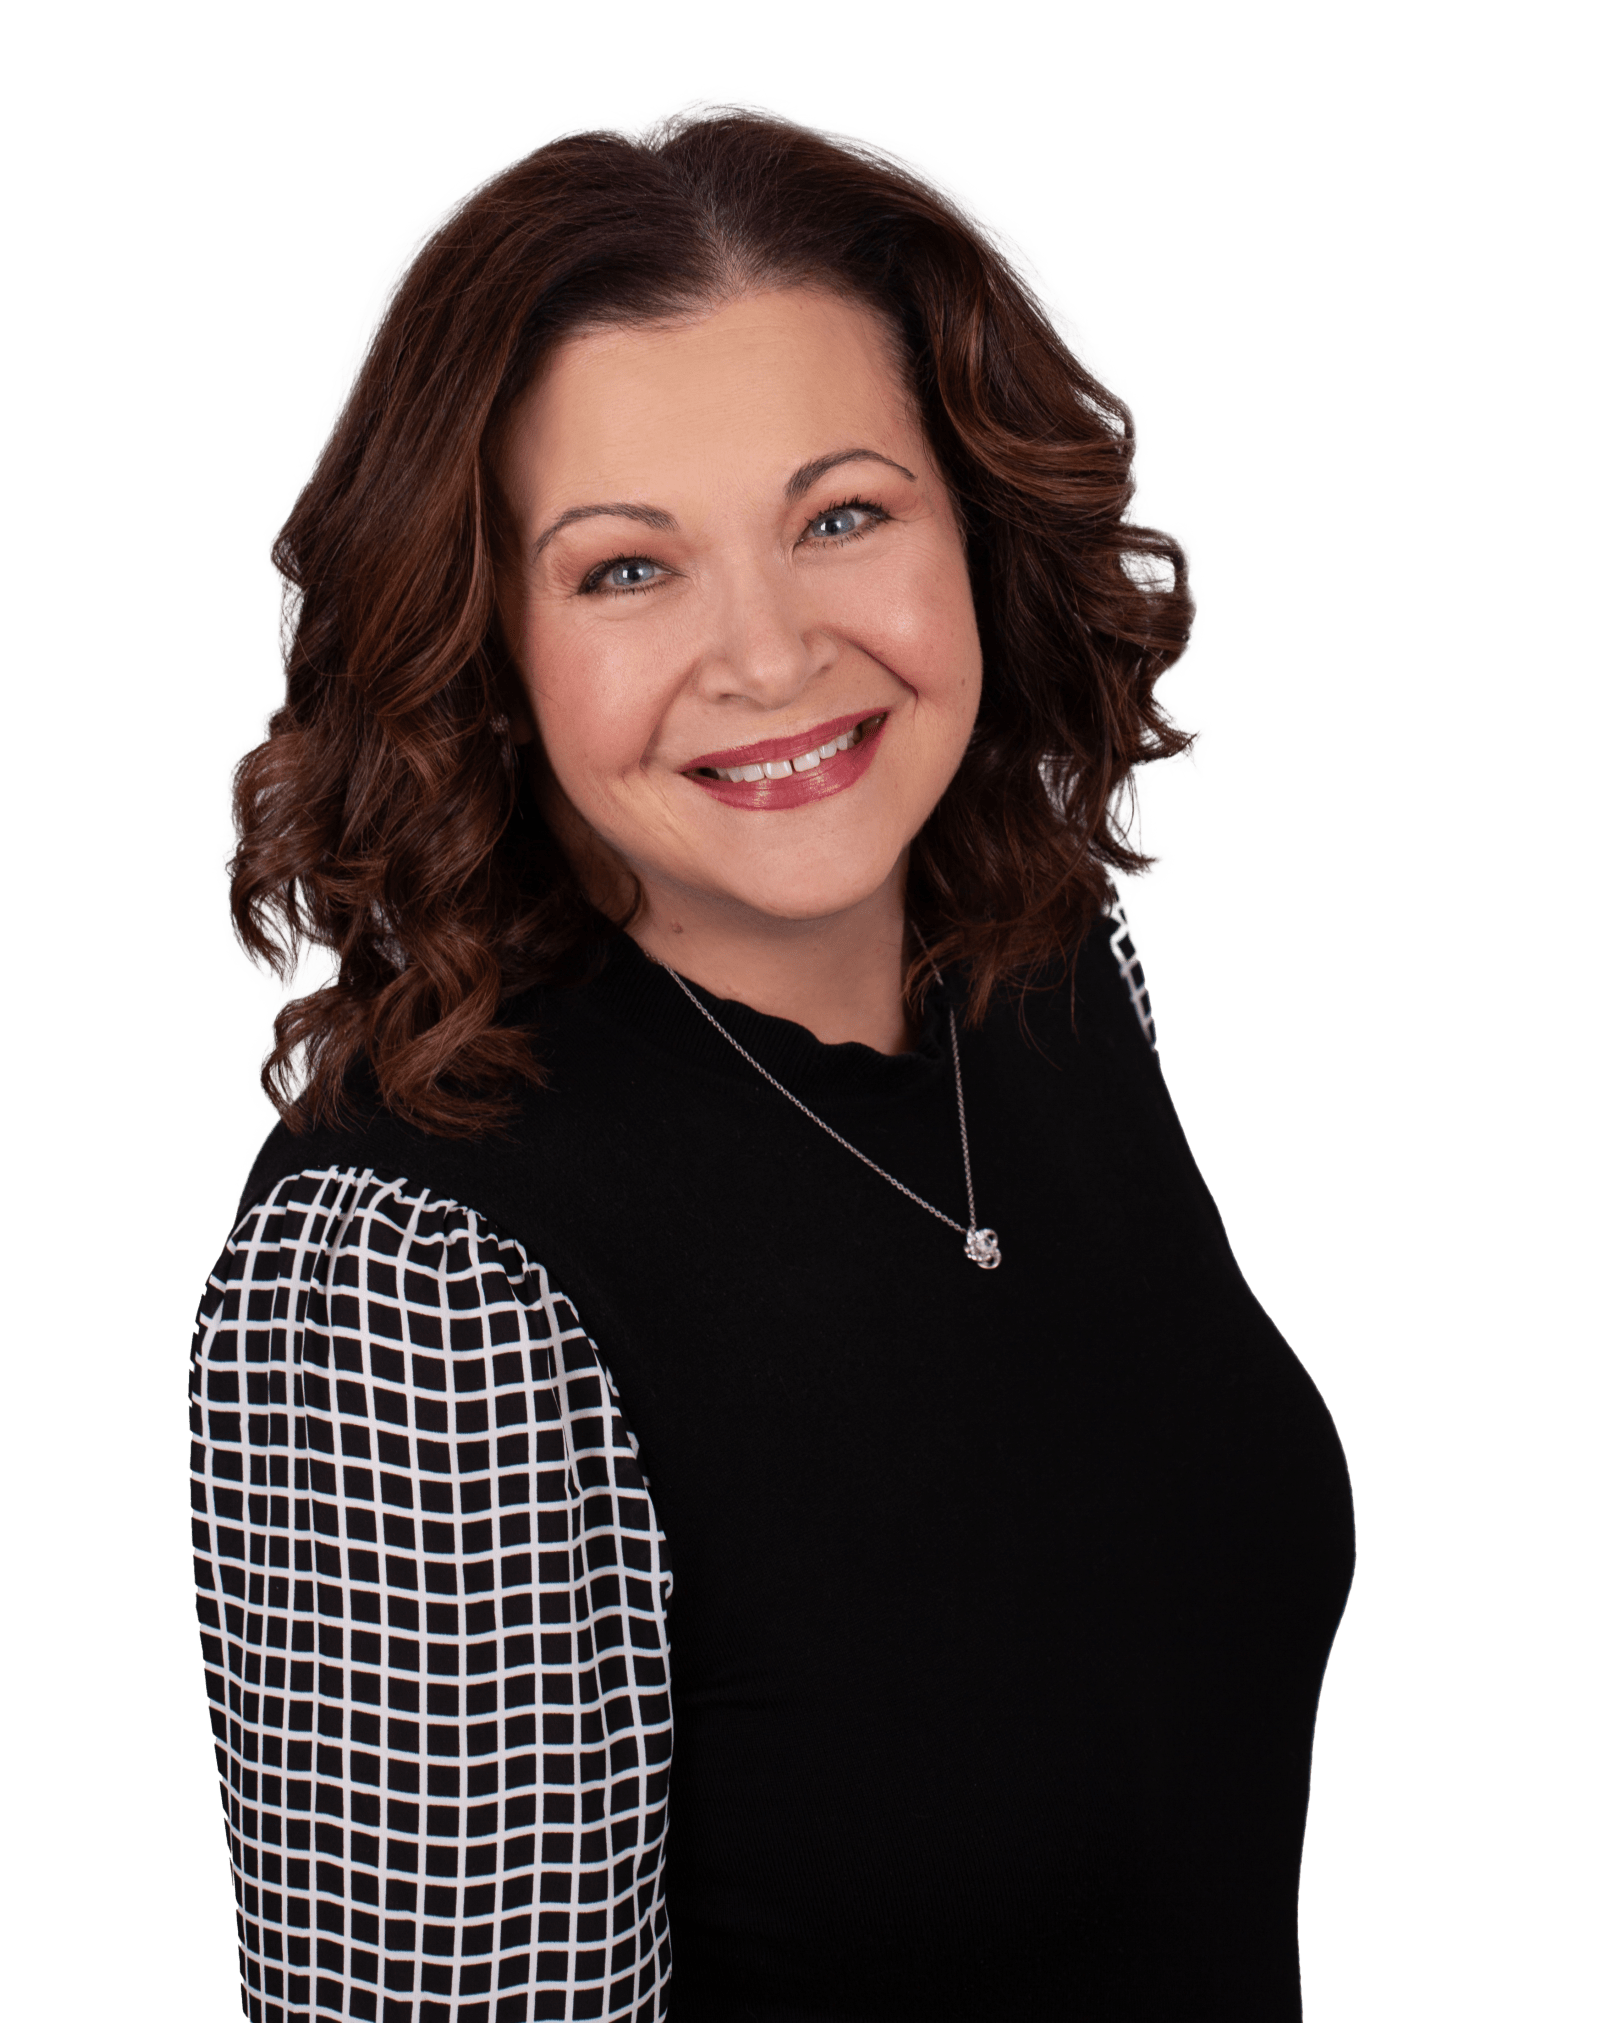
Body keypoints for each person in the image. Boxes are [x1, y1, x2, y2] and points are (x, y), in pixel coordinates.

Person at [189, 88, 1355, 2023]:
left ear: (975, 524)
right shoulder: (407, 1276)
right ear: (487, 648)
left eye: (842, 516)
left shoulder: (1048, 968)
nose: (769, 653)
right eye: (625, 568)